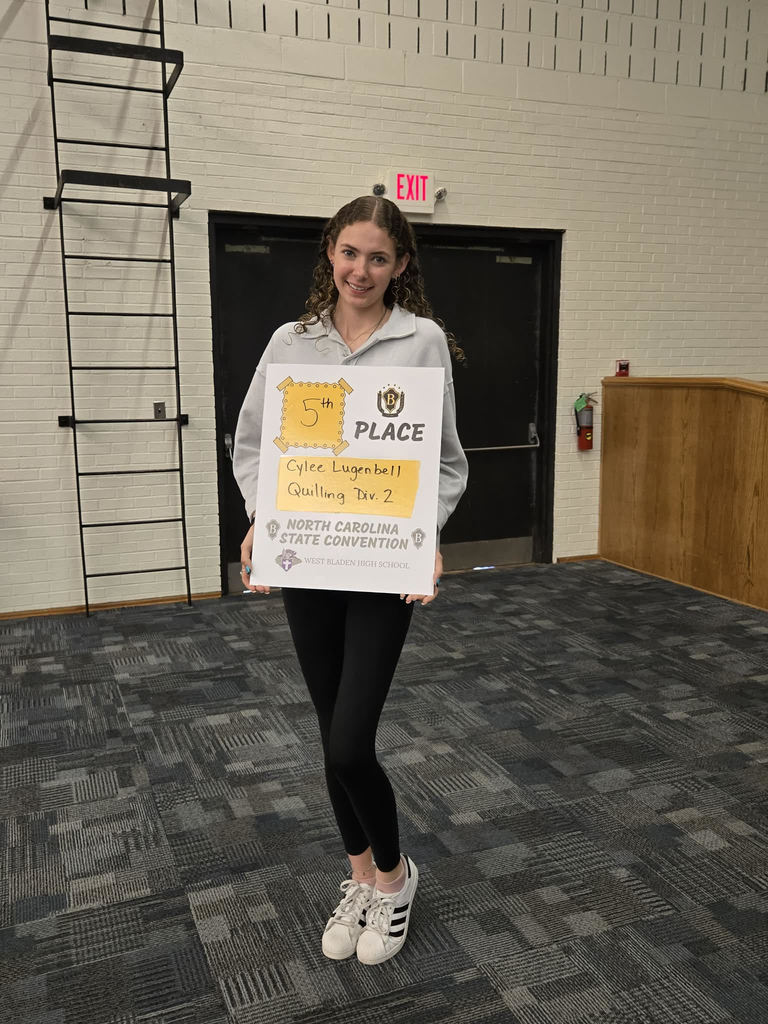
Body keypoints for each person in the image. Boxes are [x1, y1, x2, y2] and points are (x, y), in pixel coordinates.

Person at [233, 195, 468, 965]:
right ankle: (359, 875)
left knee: (348, 738)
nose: (361, 270)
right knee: (329, 730)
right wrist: (262, 517)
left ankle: (397, 879)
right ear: (329, 254)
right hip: (311, 558)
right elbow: (255, 446)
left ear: (401, 265)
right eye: (349, 253)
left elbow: (441, 459)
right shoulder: (291, 343)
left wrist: (425, 534)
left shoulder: (421, 340)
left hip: (381, 563)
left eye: (378, 257)